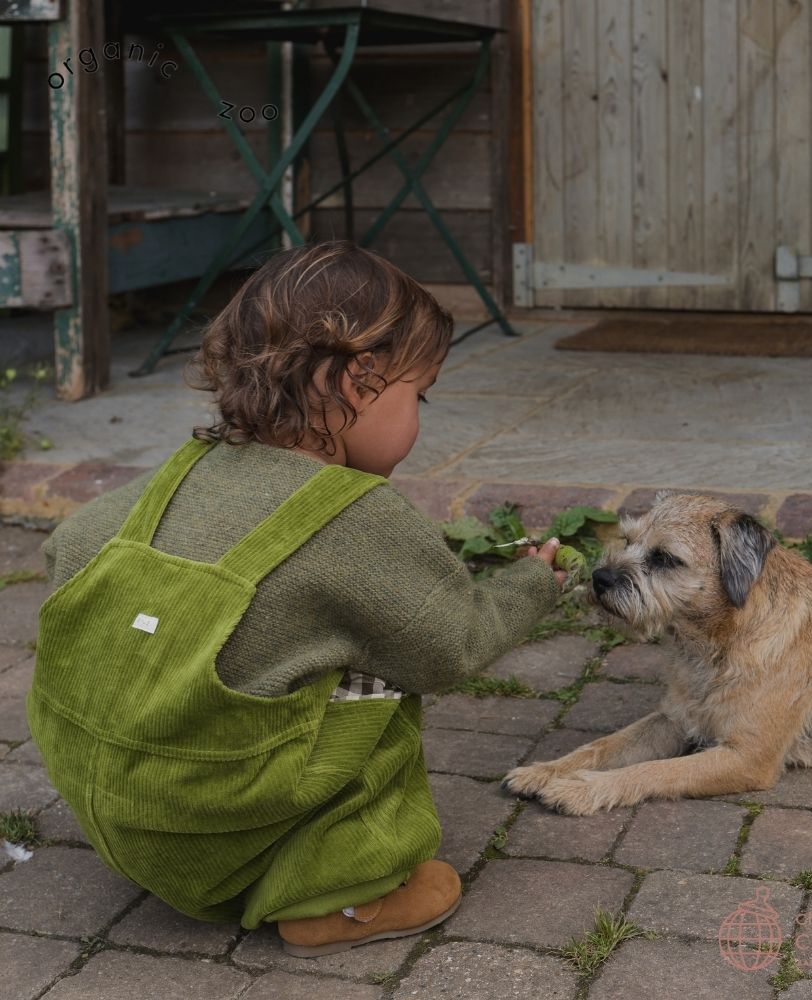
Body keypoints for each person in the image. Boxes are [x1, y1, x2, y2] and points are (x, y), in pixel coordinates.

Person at [28, 241, 566, 957]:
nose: (420, 418)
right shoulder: (359, 516)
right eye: (420, 394)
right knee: (382, 676)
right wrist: (532, 584)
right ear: (357, 381)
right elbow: (450, 644)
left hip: (133, 824)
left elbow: (66, 545)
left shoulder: (173, 478)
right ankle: (340, 896)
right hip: (237, 842)